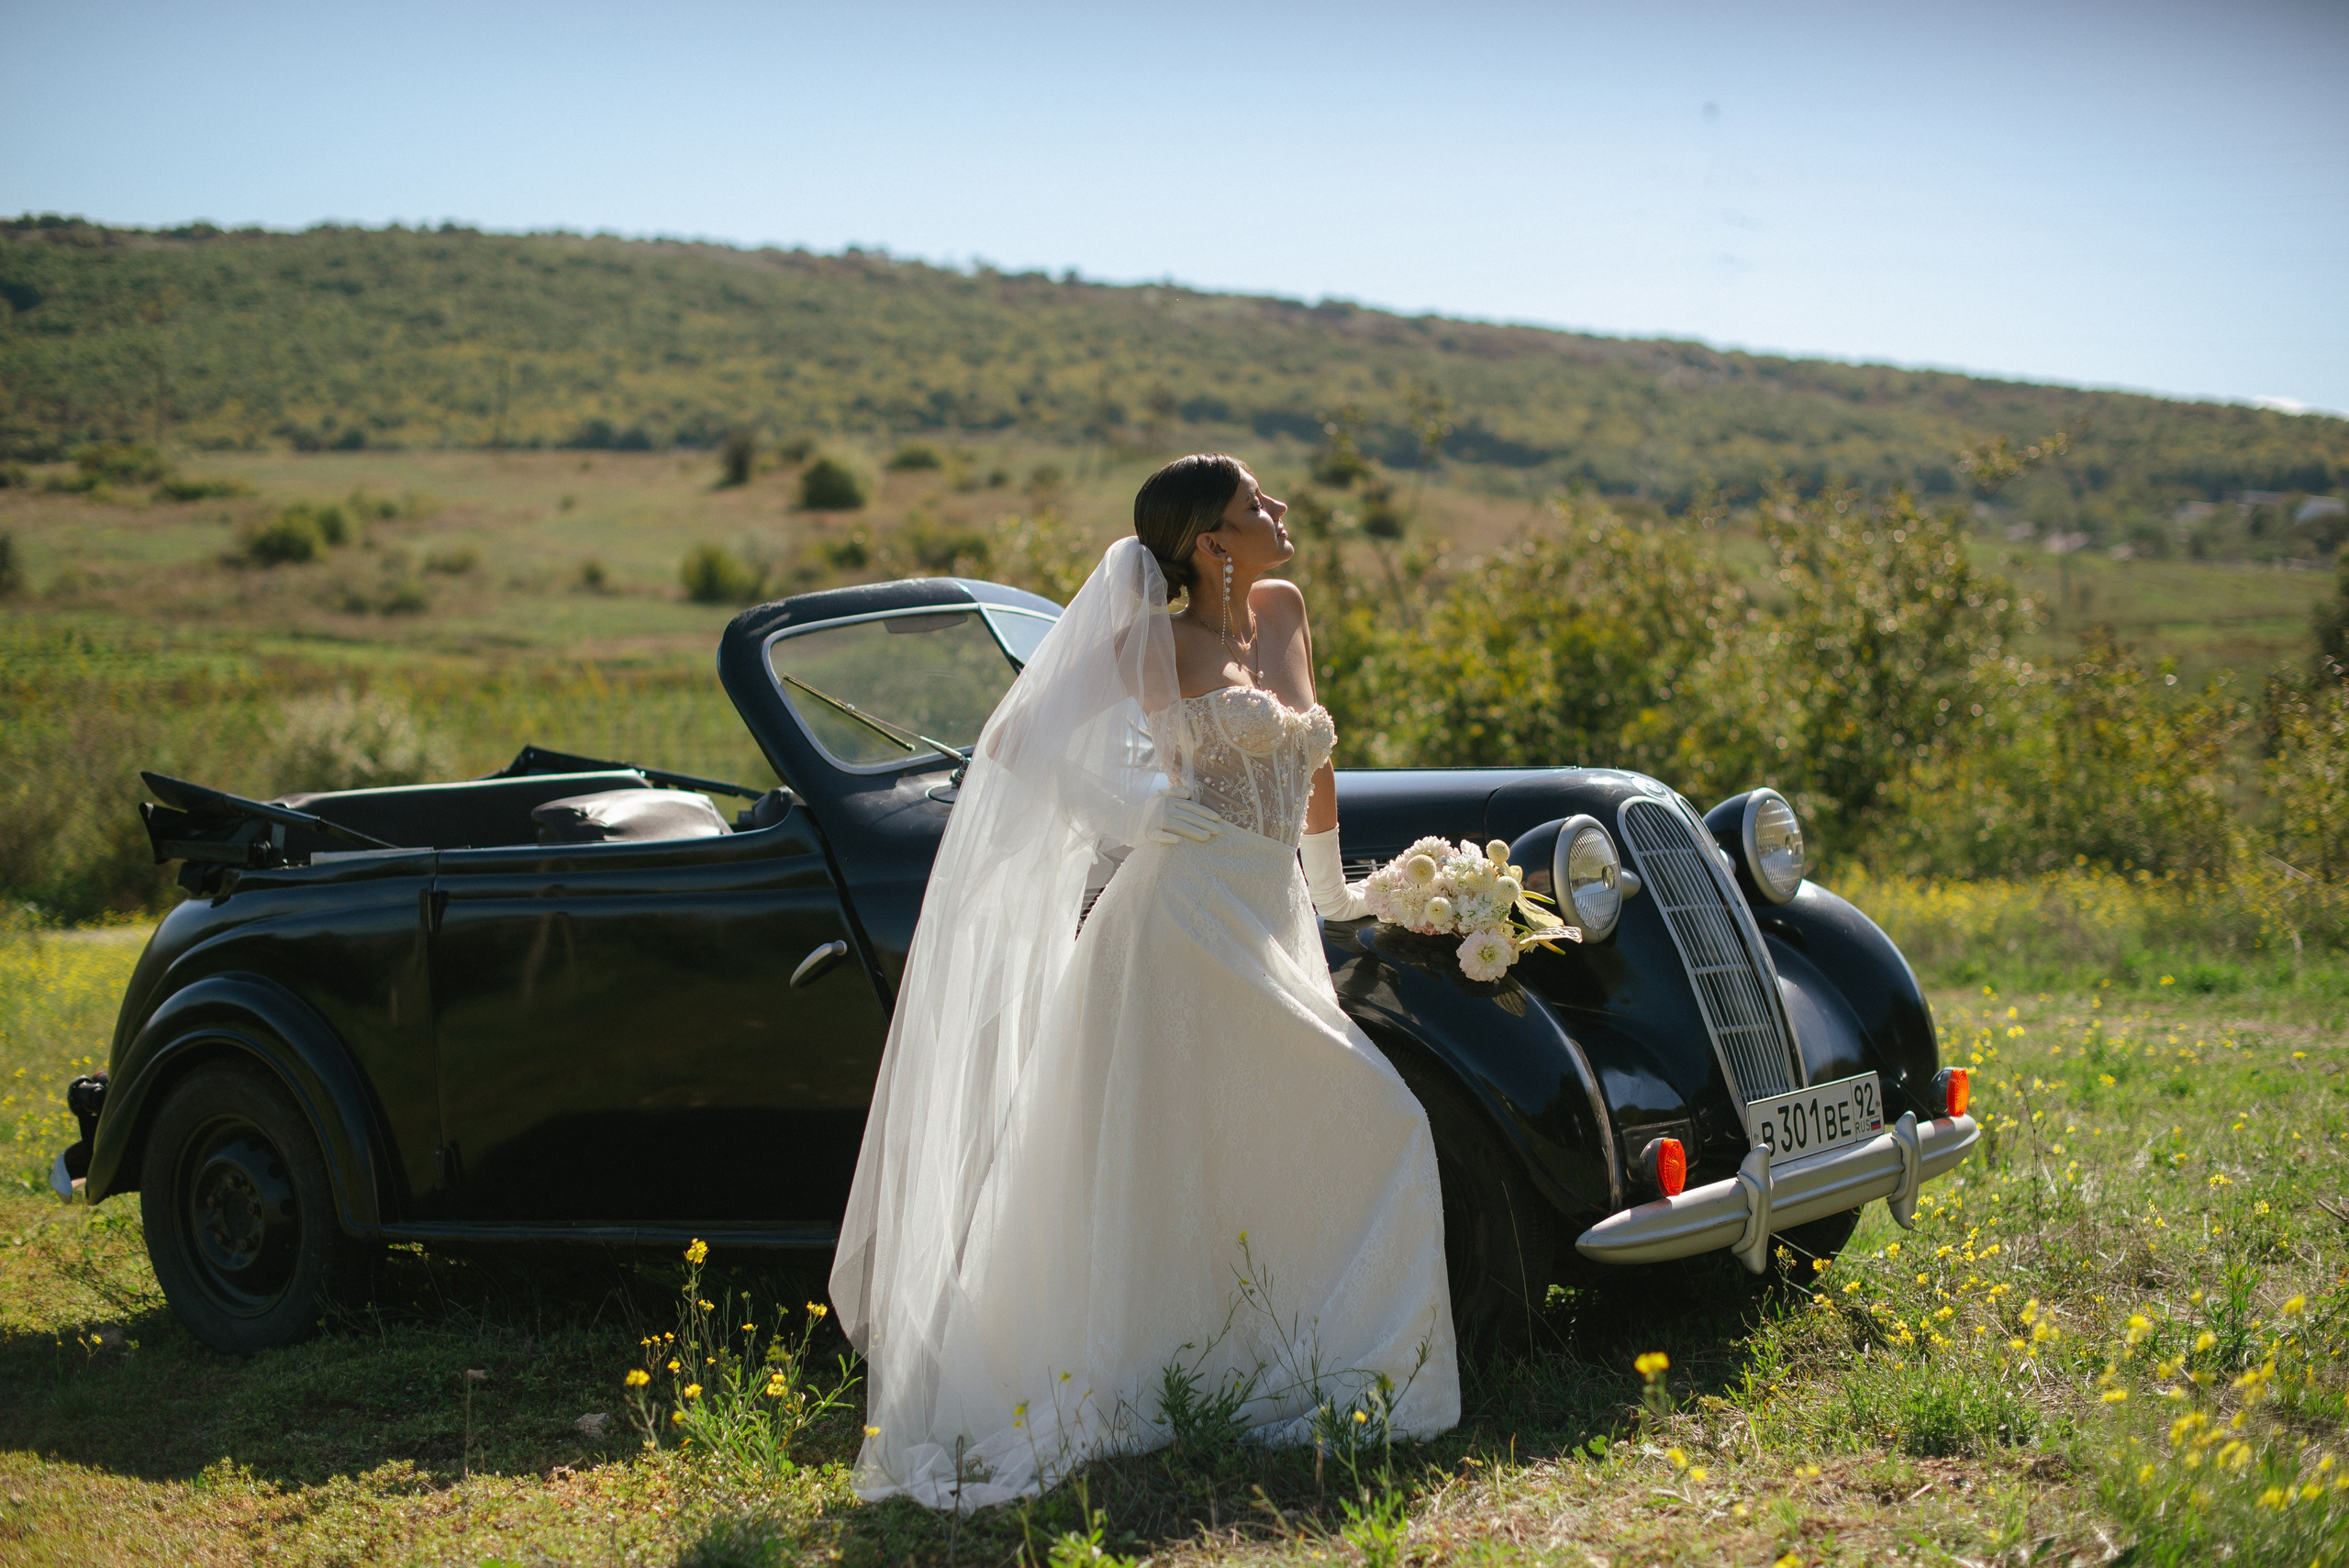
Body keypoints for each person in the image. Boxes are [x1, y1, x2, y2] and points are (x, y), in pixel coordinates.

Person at [829, 453, 1459, 1509]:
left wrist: (1334, 885)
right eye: (1256, 505)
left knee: (1269, 1137)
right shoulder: (1147, 641)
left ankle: (1276, 1363)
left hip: (1269, 913)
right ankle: (1189, 1374)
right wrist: (1137, 817)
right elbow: (1016, 742)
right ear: (1209, 541)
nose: (1280, 510)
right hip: (1177, 920)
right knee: (1368, 1118)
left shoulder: (1285, 609)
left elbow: (1312, 759)